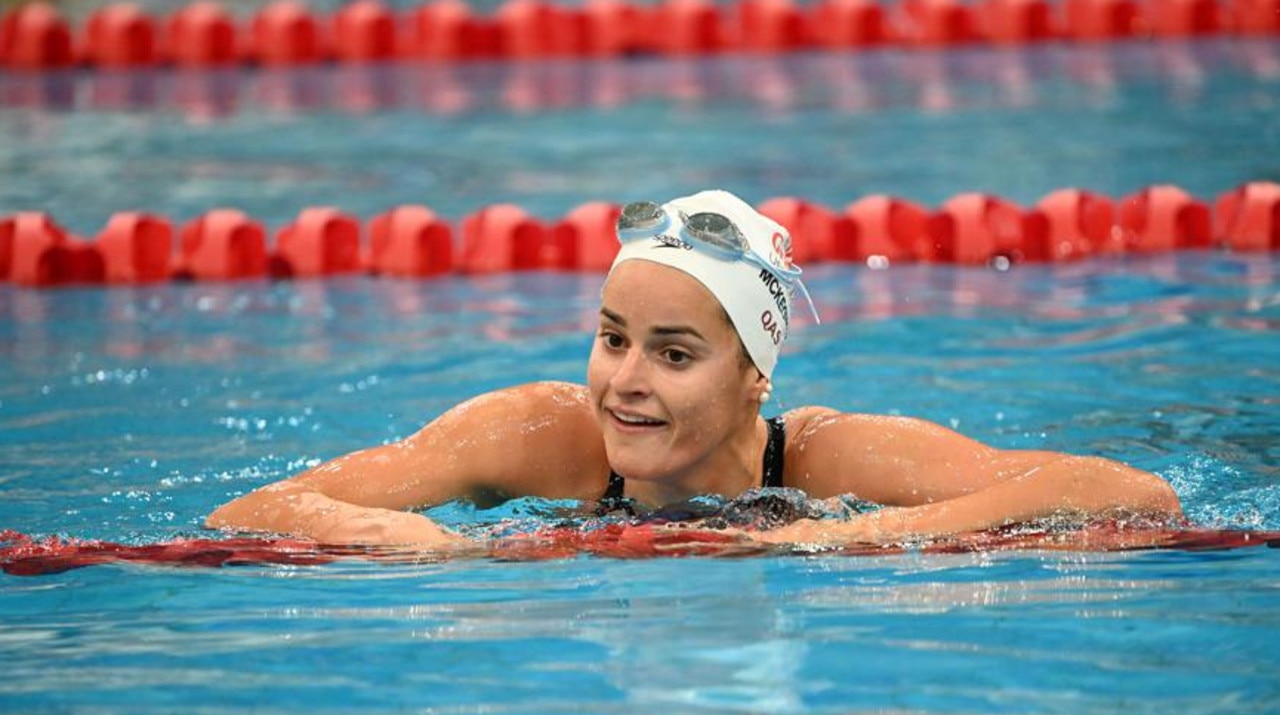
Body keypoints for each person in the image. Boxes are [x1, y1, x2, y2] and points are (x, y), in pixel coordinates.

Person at [206, 189, 1183, 550]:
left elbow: (1127, 492)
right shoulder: (546, 435)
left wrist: (846, 538)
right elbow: (255, 509)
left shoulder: (820, 460)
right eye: (612, 335)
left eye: (673, 354)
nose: (624, 379)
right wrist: (418, 542)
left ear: (754, 376)